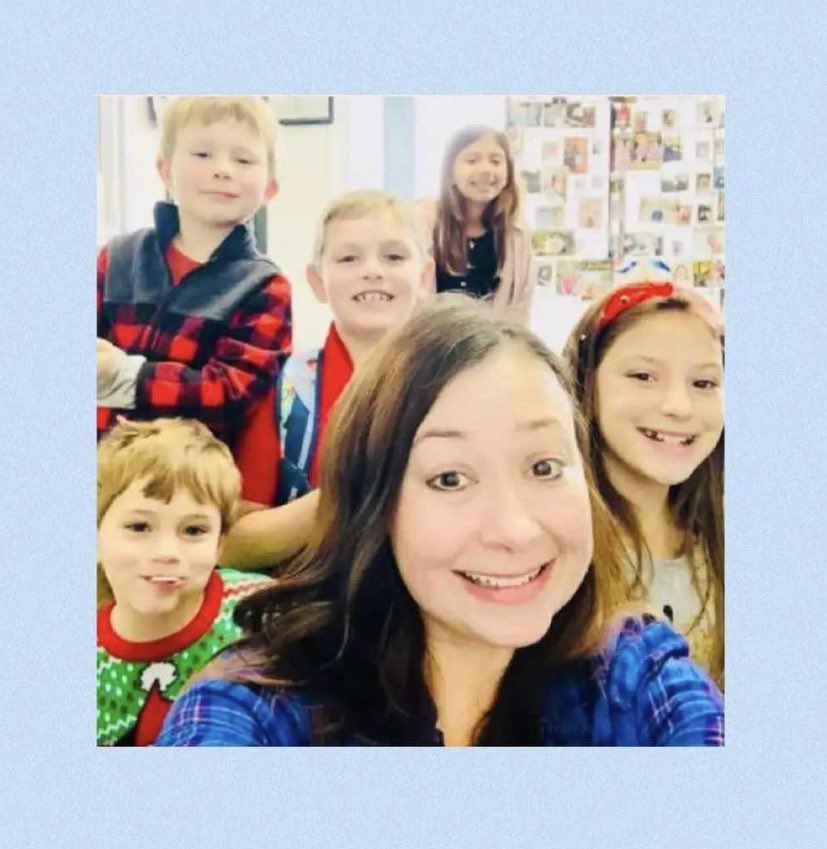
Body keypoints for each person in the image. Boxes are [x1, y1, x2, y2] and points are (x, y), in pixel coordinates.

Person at [156, 297, 724, 746]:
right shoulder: (257, 710)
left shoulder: (635, 680)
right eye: (450, 478)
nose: (515, 530)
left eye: (544, 467)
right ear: (375, 501)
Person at [222, 190, 434, 568]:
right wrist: (346, 494)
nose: (373, 270)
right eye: (349, 258)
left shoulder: (457, 383)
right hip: (314, 591)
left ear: (425, 276)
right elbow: (235, 544)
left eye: (394, 257)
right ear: (317, 282)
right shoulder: (286, 388)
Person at [96, 96, 292, 465]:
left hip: (193, 483)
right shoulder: (116, 258)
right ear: (165, 170)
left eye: (243, 160)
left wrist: (128, 377)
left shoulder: (265, 287)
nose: (222, 170)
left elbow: (232, 395)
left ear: (270, 188)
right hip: (103, 471)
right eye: (202, 154)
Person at [563, 282, 724, 687]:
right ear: (587, 382)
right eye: (643, 376)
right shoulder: (557, 546)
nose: (678, 406)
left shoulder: (727, 534)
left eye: (703, 383)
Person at [96, 418, 272, 745]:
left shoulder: (263, 609)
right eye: (139, 527)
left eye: (193, 530)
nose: (167, 552)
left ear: (220, 544)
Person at [416, 126, 534, 322]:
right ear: (450, 172)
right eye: (472, 160)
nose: (486, 170)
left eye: (495, 161)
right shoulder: (421, 224)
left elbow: (520, 310)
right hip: (429, 337)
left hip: (493, 339)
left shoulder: (517, 235)